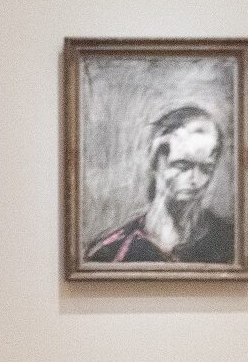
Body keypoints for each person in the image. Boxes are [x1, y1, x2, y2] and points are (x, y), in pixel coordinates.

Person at [83, 104, 235, 264]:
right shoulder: (112, 251)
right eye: (182, 165)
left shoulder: (229, 242)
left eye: (206, 168)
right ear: (155, 161)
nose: (195, 180)